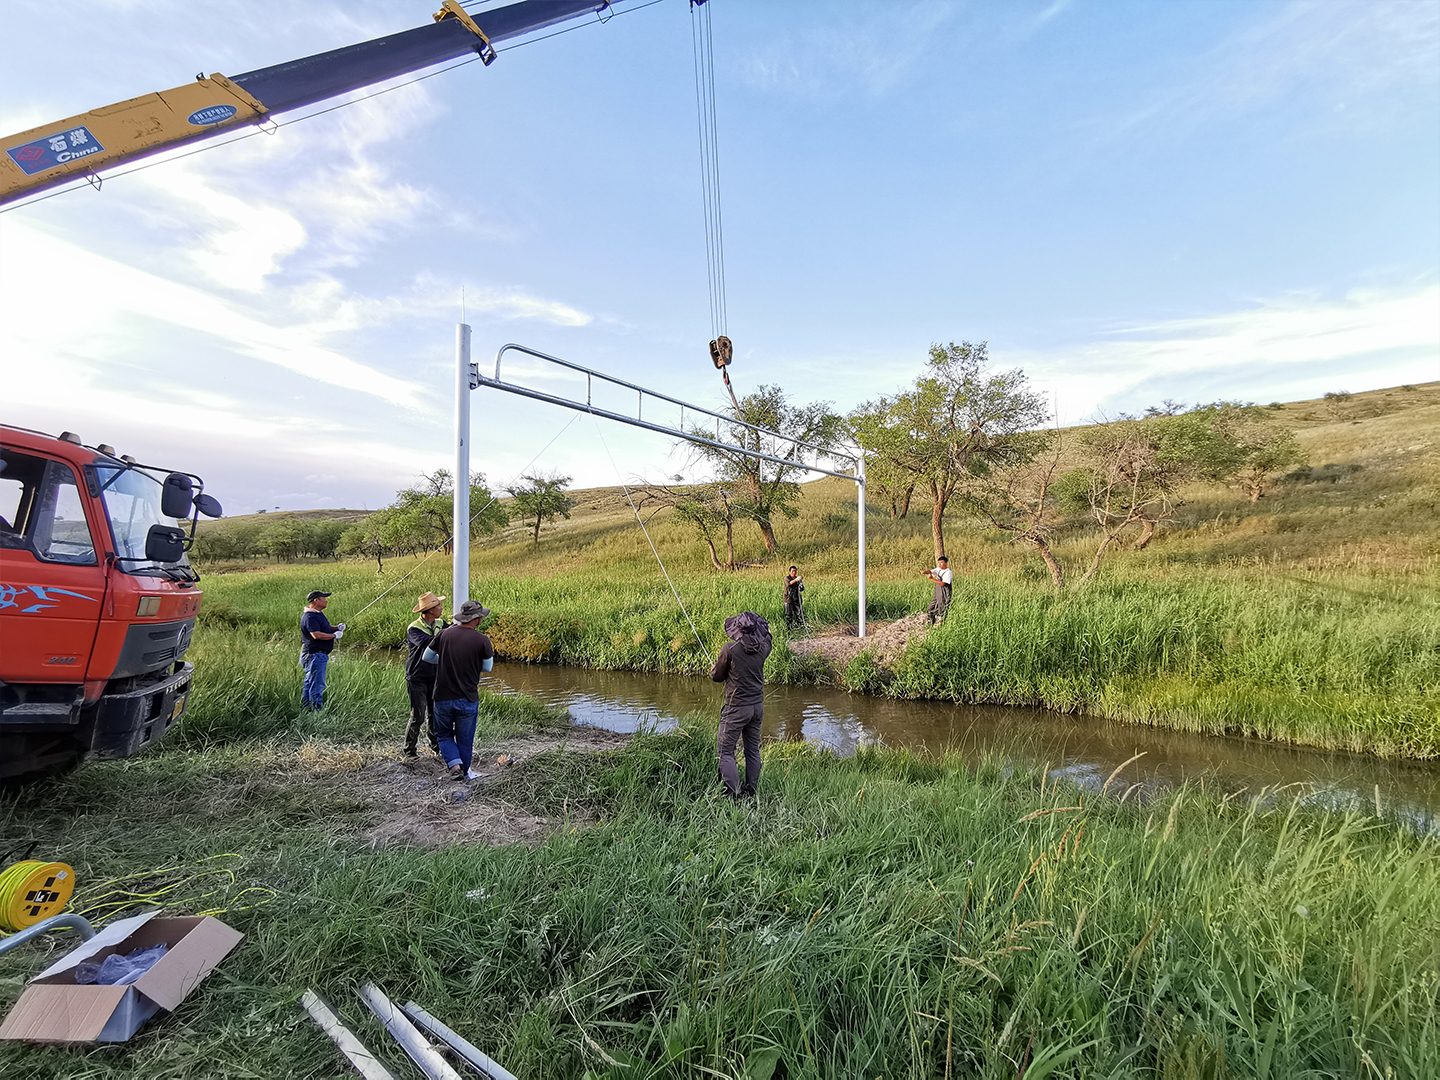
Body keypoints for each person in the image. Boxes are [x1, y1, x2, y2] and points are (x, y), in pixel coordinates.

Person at [423, 599, 494, 781]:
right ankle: (465, 772)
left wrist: (446, 660)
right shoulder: (483, 640)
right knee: (465, 739)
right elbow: (487, 668)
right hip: (468, 697)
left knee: (443, 734)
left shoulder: (444, 634)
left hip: (442, 696)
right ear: (477, 619)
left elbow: (427, 656)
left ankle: (454, 765)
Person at [710, 611, 772, 799]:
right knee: (752, 750)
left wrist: (714, 670)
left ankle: (734, 795)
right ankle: (751, 791)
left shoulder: (729, 649)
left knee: (725, 752)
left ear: (738, 631)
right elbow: (767, 635)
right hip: (756, 707)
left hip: (736, 708)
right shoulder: (765, 646)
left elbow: (717, 677)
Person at [403, 591, 449, 757]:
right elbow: (428, 643)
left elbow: (449, 637)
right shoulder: (414, 629)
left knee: (434, 714)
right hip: (417, 677)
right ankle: (409, 751)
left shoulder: (441, 623)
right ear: (430, 610)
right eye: (438, 606)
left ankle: (436, 747)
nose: (441, 608)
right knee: (418, 716)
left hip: (435, 676)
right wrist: (448, 635)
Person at [300, 590, 344, 710]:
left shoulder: (317, 614)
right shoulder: (309, 616)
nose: (326, 600)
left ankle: (307, 710)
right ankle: (315, 712)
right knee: (317, 684)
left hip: (317, 655)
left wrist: (336, 628)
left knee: (310, 682)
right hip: (315, 655)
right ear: (316, 600)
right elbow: (316, 634)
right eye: (324, 598)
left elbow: (324, 628)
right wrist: (335, 636)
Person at [924, 555, 953, 625]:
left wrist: (931, 579)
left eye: (941, 563)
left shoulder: (948, 572)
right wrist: (925, 572)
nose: (940, 564)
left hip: (944, 594)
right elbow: (931, 571)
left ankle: (942, 624)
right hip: (937, 594)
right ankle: (931, 622)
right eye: (939, 563)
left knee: (942, 609)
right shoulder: (938, 569)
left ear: (946, 563)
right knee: (930, 608)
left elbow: (943, 584)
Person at [782, 566, 805, 630]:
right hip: (788, 599)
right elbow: (789, 584)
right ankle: (789, 629)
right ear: (790, 572)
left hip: (796, 598)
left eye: (795, 571)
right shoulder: (787, 578)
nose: (794, 572)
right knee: (789, 615)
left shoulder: (797, 579)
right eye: (792, 571)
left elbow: (802, 589)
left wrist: (801, 585)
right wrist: (796, 580)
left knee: (799, 613)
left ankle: (800, 627)